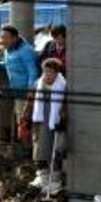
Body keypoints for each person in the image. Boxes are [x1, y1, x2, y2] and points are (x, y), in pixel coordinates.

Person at [30, 58, 68, 194]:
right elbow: (31, 101)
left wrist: (62, 118)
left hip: (55, 122)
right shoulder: (39, 83)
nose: (47, 74)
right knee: (40, 149)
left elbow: (65, 106)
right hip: (41, 120)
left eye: (50, 72)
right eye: (45, 71)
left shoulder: (63, 85)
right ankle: (43, 178)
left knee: (55, 150)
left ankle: (55, 181)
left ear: (57, 73)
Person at [1, 25, 41, 134]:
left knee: (26, 119)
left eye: (5, 38)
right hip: (16, 90)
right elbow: (8, 63)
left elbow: (33, 71)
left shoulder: (25, 50)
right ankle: (23, 143)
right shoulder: (8, 50)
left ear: (14, 38)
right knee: (20, 118)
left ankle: (28, 147)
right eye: (2, 37)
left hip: (26, 91)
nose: (2, 41)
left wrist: (30, 90)